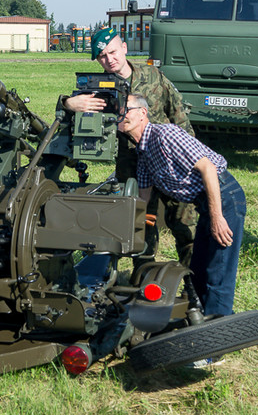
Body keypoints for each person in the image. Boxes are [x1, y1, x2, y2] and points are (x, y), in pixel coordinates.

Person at [62, 27, 198, 270]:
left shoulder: (152, 75)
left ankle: (196, 282)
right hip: (132, 167)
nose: (109, 59)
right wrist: (68, 103)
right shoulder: (96, 88)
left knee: (186, 225)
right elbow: (64, 121)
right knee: (140, 229)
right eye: (102, 56)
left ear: (124, 48)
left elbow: (178, 113)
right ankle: (144, 282)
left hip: (168, 161)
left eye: (112, 52)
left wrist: (188, 156)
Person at [118, 93, 245, 317]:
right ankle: (198, 317)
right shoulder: (143, 152)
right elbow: (143, 199)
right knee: (198, 266)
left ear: (143, 113)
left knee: (218, 268)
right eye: (119, 110)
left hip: (223, 196)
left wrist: (217, 217)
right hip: (204, 202)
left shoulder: (166, 135)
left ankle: (216, 332)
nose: (122, 115)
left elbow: (208, 169)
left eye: (127, 110)